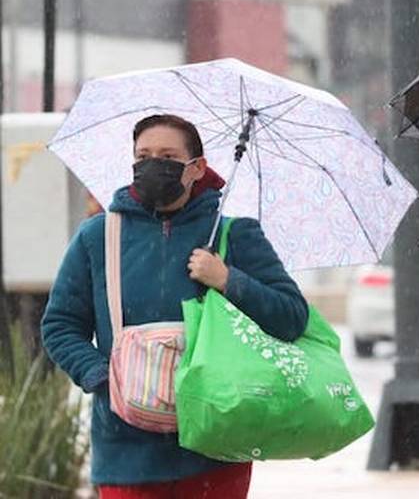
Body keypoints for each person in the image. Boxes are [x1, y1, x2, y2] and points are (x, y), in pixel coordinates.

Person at [42, 114, 309, 498]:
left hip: (215, 442)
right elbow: (60, 326)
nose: (153, 165)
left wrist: (228, 280)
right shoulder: (97, 236)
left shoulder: (236, 235)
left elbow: (291, 318)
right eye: (143, 156)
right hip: (125, 448)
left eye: (167, 156)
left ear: (196, 168)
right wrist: (104, 378)